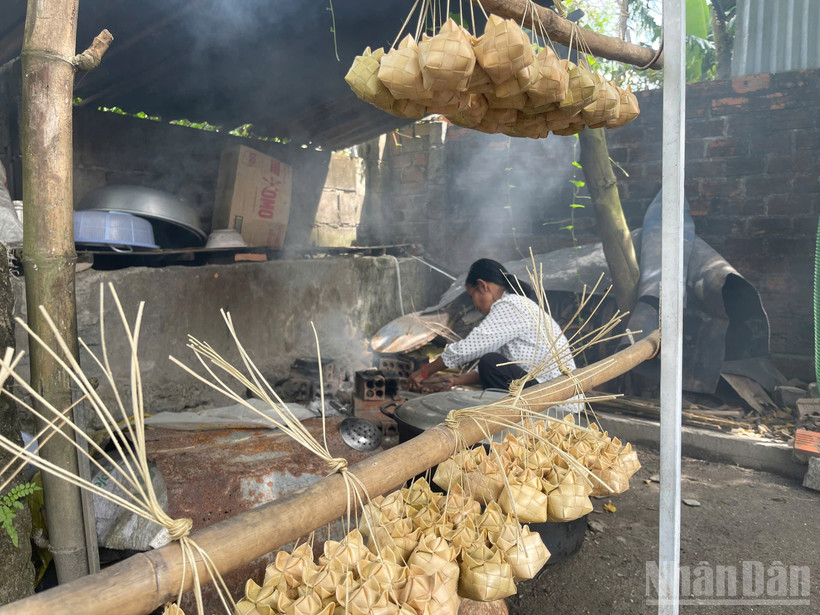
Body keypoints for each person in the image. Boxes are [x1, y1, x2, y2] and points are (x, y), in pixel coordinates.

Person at [409, 258, 575, 392]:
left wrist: (426, 371)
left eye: (471, 295)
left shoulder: (510, 305)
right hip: (550, 391)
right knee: (491, 362)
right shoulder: (516, 305)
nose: (474, 305)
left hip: (552, 395)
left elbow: (468, 348)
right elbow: (498, 371)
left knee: (490, 361)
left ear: (482, 286)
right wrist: (455, 380)